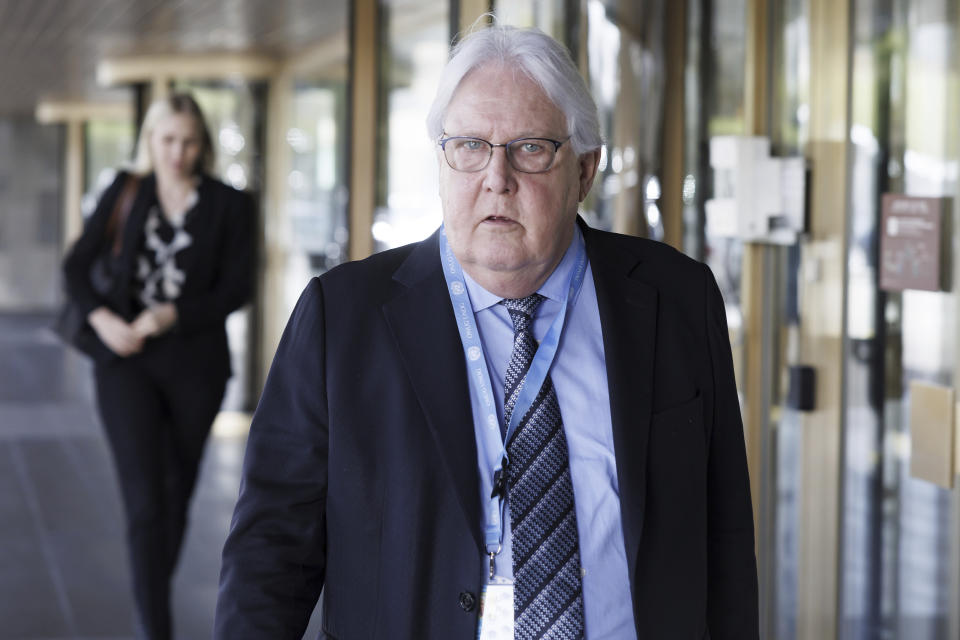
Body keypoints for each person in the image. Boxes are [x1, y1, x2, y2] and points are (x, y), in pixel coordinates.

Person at [215, 25, 758, 640]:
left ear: (584, 170)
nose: (496, 178)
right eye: (470, 146)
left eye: (530, 148)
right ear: (443, 161)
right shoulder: (344, 317)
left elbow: (726, 539)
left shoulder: (677, 299)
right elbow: (270, 555)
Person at [63, 92, 254, 640]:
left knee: (176, 494)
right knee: (146, 501)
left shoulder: (229, 203)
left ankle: (151, 596)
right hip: (126, 362)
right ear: (150, 140)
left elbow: (236, 288)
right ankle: (155, 624)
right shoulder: (127, 191)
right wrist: (101, 319)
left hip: (196, 368)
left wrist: (174, 313)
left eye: (189, 141)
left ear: (203, 144)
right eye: (167, 139)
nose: (177, 152)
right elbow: (76, 266)